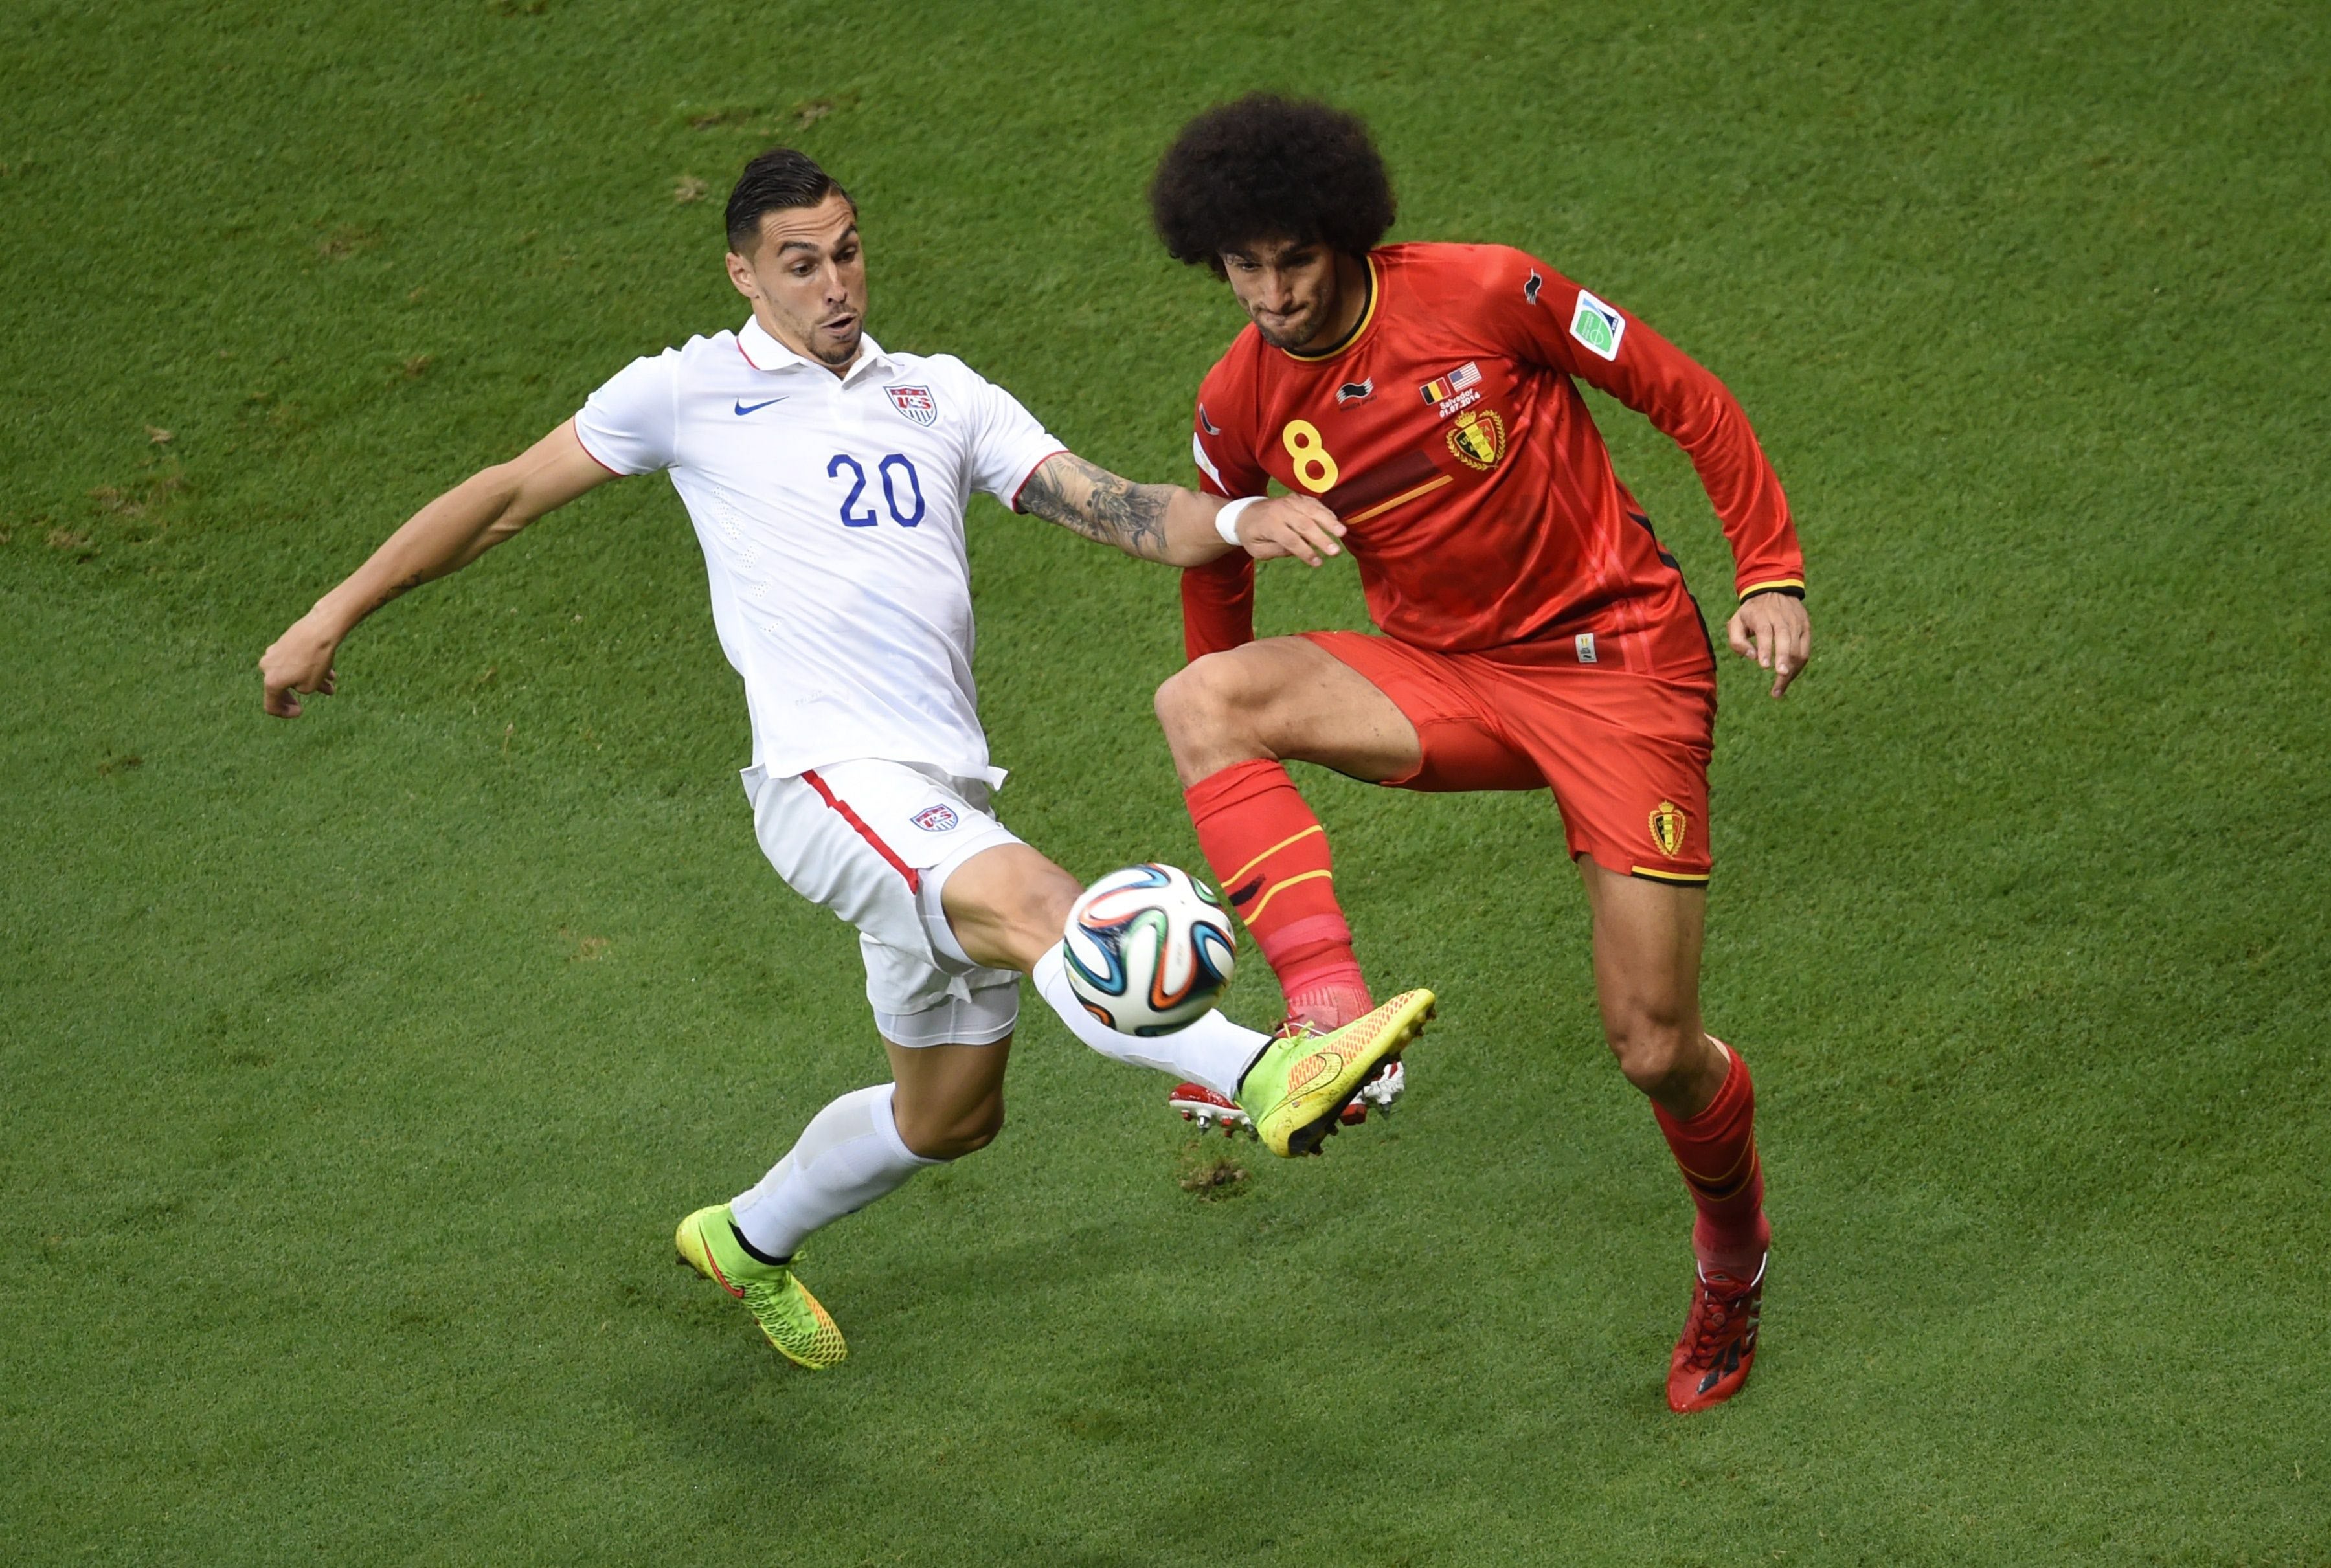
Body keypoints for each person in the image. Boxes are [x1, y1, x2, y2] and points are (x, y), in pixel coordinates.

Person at [258, 147, 1434, 1371]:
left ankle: (745, 1237)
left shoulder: (940, 395)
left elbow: (1119, 505)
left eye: (849, 250)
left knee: (948, 1117)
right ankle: (1264, 1069)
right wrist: (330, 613)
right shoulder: (683, 391)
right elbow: (502, 497)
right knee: (1046, 906)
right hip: (826, 783)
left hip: (938, 792)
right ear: (743, 274)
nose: (837, 284)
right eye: (800, 263)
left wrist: (1238, 516)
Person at [1141, 96, 1810, 1413]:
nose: (1273, 293)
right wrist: (1241, 618)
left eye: (1294, 259)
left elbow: (1686, 395)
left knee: (1652, 1043)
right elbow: (1217, 583)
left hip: (1623, 668)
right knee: (1200, 698)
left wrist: (1772, 573)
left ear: (1340, 234)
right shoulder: (1238, 404)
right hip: (1454, 680)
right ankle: (1328, 1013)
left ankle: (1731, 1255)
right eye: (1244, 267)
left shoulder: (1488, 291)